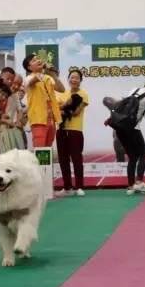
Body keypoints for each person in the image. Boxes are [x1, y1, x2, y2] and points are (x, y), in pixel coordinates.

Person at [104, 77, 145, 195]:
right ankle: (139, 182)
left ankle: (130, 186)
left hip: (121, 128)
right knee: (143, 154)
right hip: (133, 129)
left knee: (132, 157)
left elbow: (122, 106)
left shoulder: (134, 90)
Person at [56, 69, 89, 197]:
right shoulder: (63, 93)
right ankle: (67, 186)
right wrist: (65, 105)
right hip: (61, 129)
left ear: (80, 80)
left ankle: (79, 186)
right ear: (68, 79)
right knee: (63, 159)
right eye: (72, 77)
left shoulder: (83, 94)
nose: (74, 80)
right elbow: (55, 110)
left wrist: (63, 107)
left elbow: (76, 112)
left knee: (76, 158)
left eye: (77, 78)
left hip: (75, 130)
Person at [22, 54, 65, 147]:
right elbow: (32, 81)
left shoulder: (48, 78)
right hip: (38, 120)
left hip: (51, 119)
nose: (38, 60)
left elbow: (62, 89)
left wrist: (52, 74)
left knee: (48, 149)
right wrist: (43, 71)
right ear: (29, 67)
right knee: (40, 150)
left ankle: (46, 162)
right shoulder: (28, 78)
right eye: (34, 60)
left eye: (38, 58)